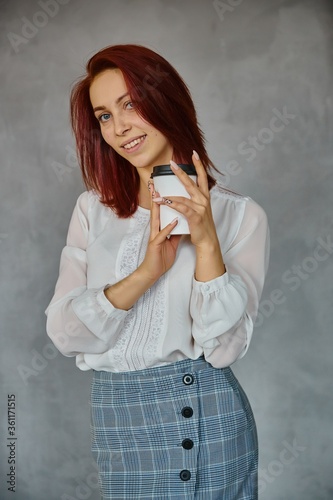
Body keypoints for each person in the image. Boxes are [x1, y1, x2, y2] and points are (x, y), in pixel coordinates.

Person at [45, 44, 269, 500]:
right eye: (104, 115)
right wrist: (148, 271)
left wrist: (206, 242)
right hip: (115, 421)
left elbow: (224, 349)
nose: (119, 126)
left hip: (201, 413)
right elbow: (66, 334)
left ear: (164, 99)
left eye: (129, 104)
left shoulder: (241, 216)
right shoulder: (92, 210)